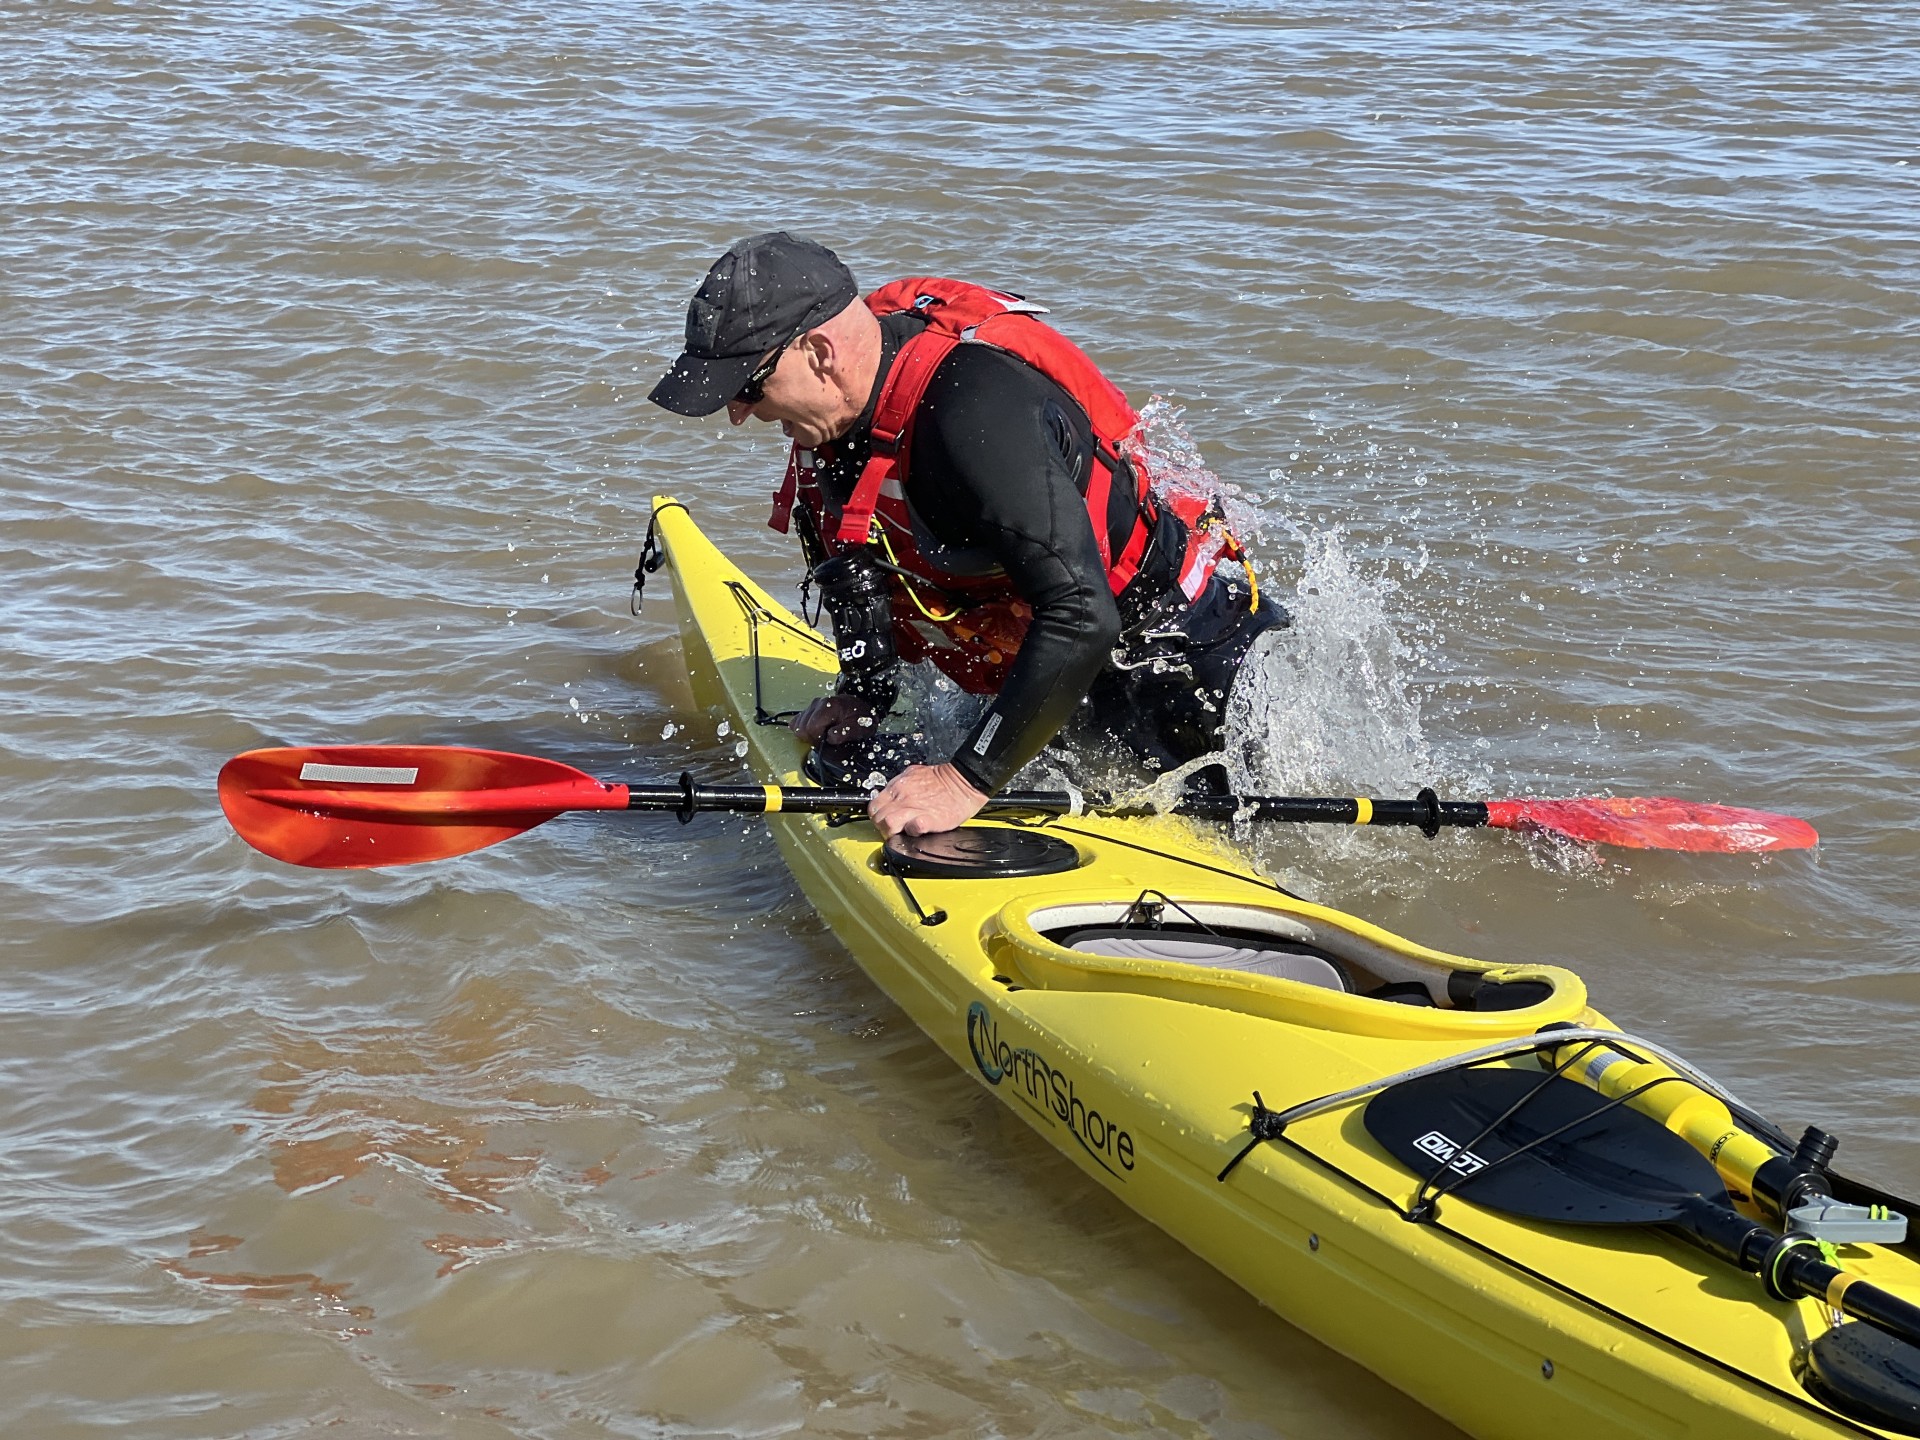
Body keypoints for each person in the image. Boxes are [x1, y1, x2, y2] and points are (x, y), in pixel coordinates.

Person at [648, 232, 1285, 840]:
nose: (737, 413)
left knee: (1223, 829)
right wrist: (863, 692)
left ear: (820, 354)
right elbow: (855, 556)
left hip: (1177, 657)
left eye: (747, 387)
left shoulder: (975, 411)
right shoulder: (834, 420)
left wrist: (965, 778)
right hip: (1057, 665)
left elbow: (1084, 614)